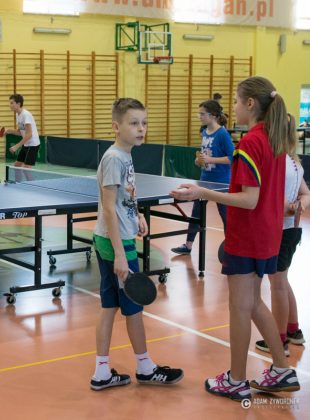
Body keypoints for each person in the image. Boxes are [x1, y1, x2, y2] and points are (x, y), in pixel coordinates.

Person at [171, 76, 300, 400]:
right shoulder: (273, 139)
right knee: (253, 303)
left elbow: (249, 199)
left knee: (240, 307)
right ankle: (282, 369)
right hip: (267, 235)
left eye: (237, 101)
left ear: (250, 104)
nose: (234, 107)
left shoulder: (251, 143)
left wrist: (202, 193)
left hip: (249, 236)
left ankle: (236, 379)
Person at [90, 98, 183, 392]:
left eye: (144, 123)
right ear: (116, 126)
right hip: (115, 242)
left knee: (109, 306)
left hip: (111, 238)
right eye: (133, 123)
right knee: (134, 309)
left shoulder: (125, 155)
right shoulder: (115, 159)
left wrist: (138, 213)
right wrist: (120, 253)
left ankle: (101, 373)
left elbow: (124, 196)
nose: (141, 128)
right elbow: (108, 207)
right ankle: (145, 368)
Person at [254, 130, 309, 355]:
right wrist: (300, 205)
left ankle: (278, 340)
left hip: (279, 230)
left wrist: (288, 206)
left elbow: (271, 196)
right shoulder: (294, 161)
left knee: (277, 284)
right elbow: (306, 193)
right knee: (283, 281)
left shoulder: (278, 161)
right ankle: (293, 330)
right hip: (292, 229)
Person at [171, 100, 234, 255]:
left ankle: (233, 247)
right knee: (196, 214)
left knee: (226, 216)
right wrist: (198, 161)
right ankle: (188, 246)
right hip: (204, 180)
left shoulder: (223, 134)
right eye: (199, 113)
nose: (199, 116)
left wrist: (211, 160)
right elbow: (204, 156)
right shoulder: (205, 132)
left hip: (221, 182)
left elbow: (232, 157)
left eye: (202, 114)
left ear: (213, 115)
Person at [3, 94, 40, 168]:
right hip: (26, 144)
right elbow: (20, 132)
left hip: (33, 145)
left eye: (12, 103)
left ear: (18, 104)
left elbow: (29, 134)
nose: (10, 105)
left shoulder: (26, 115)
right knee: (17, 166)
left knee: (26, 169)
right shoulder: (18, 115)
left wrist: (16, 146)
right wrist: (9, 131)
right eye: (10, 103)